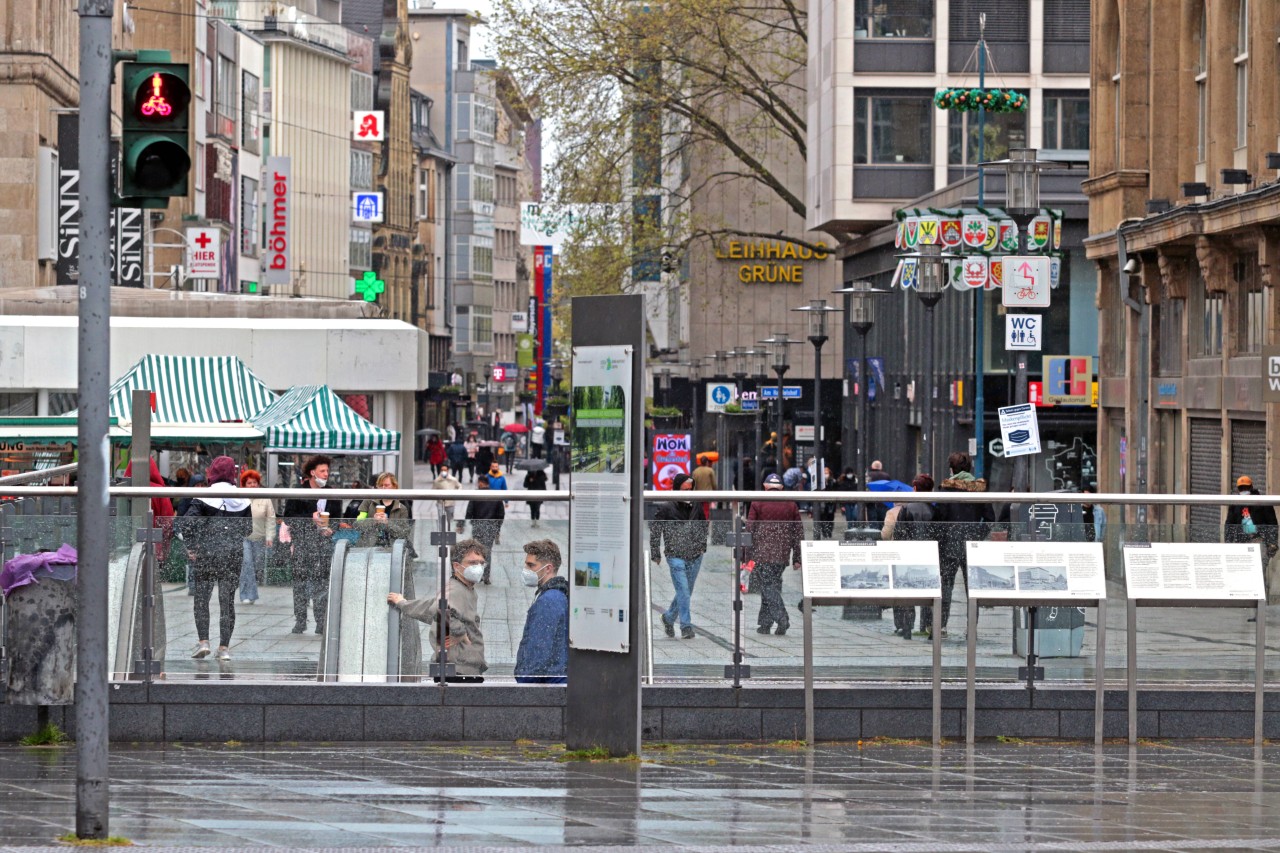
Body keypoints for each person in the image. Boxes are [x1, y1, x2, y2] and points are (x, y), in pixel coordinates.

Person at [180, 455, 251, 661]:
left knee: (202, 598)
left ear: (212, 472)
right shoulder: (243, 498)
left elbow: (187, 523)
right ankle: (224, 648)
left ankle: (203, 642)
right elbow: (247, 529)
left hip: (207, 552)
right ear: (232, 474)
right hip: (232, 554)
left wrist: (192, 545)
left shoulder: (204, 496)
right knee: (227, 601)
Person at [387, 538, 487, 681]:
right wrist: (460, 633)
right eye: (472, 563)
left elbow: (430, 606)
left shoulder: (465, 588)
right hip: (459, 670)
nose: (478, 567)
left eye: (481, 563)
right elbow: (438, 609)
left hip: (459, 668)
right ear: (457, 566)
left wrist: (403, 603)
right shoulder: (455, 589)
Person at [925, 452, 993, 637]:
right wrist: (976, 536)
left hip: (949, 544)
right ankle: (972, 628)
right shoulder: (979, 490)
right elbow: (989, 518)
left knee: (946, 587)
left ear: (951, 469)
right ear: (969, 469)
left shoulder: (946, 491)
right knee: (972, 589)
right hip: (971, 546)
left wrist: (939, 537)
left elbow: (938, 519)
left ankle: (941, 625)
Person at [281, 454, 342, 635]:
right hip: (303, 542)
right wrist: (310, 518)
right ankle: (300, 620)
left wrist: (332, 529)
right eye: (322, 471)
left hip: (324, 543)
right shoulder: (298, 491)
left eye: (327, 471)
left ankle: (321, 621)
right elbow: (288, 517)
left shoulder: (332, 493)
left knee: (322, 583)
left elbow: (338, 519)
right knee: (300, 581)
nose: (325, 474)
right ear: (312, 473)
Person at [650, 473, 708, 639]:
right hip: (675, 554)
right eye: (685, 489)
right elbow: (656, 529)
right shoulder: (667, 506)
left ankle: (668, 618)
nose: (688, 492)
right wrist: (655, 552)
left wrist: (702, 546)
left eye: (691, 489)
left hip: (695, 554)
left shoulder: (696, 504)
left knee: (686, 591)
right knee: (683, 589)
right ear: (677, 489)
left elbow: (702, 524)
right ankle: (686, 626)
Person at [746, 473, 804, 635]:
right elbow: (798, 531)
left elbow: (750, 529)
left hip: (762, 553)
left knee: (768, 587)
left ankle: (782, 618)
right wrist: (797, 557)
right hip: (782, 554)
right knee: (771, 586)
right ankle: (765, 624)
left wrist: (746, 556)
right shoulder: (790, 504)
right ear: (782, 488)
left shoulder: (757, 502)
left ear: (765, 486)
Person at [514, 539, 569, 683]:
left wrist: (525, 681)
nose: (526, 569)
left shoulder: (549, 600)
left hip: (548, 684)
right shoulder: (555, 594)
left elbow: (538, 649)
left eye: (531, 565)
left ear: (548, 568)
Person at [890, 474, 936, 640]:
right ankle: (932, 628)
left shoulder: (907, 508)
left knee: (908, 593)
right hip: (929, 554)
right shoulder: (934, 509)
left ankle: (907, 629)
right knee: (930, 592)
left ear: (915, 488)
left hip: (909, 553)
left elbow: (899, 532)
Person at [238, 468, 275, 606]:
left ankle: (249, 592)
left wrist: (270, 536)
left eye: (255, 482)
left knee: (255, 566)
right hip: (243, 537)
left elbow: (270, 518)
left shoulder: (265, 498)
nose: (252, 485)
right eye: (249, 483)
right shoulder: (239, 498)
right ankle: (247, 595)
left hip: (259, 537)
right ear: (244, 485)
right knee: (246, 564)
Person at [1226, 475, 1279, 562]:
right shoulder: (1235, 503)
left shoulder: (1262, 502)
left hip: (1259, 539)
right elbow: (1229, 524)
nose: (1244, 490)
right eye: (1241, 488)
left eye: (1246, 488)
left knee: (1259, 566)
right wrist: (1228, 543)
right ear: (1238, 490)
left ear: (1251, 487)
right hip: (1241, 541)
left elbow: (1272, 523)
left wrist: (1272, 543)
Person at [356, 471, 415, 549]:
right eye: (380, 485)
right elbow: (357, 525)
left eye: (386, 485)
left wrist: (387, 523)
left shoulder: (402, 508)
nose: (383, 488)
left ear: (394, 487)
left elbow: (404, 532)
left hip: (392, 549)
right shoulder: (368, 502)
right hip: (369, 547)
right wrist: (373, 520)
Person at [464, 474, 505, 582]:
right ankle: (486, 576)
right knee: (487, 552)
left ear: (481, 483)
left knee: (477, 552)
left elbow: (469, 511)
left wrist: (463, 523)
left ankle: (478, 574)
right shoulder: (495, 496)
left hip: (477, 527)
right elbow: (501, 514)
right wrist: (497, 528)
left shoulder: (476, 495)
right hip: (490, 528)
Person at [865, 460, 914, 531]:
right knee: (883, 521)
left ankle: (874, 536)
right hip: (883, 502)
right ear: (880, 467)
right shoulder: (885, 475)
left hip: (871, 503)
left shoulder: (868, 475)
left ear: (872, 466)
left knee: (873, 523)